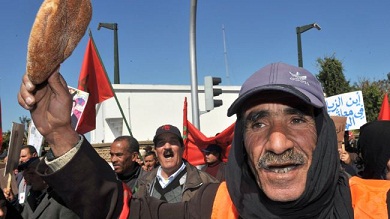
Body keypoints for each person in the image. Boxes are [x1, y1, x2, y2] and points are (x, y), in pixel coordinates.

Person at [18, 63, 390, 218]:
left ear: (323, 135)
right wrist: (61, 133)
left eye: (297, 119)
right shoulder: (217, 205)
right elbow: (124, 212)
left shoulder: (377, 205)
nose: (278, 142)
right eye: (258, 123)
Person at [135, 124, 218, 203]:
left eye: (173, 142)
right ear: (156, 151)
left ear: (182, 148)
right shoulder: (143, 183)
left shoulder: (207, 184)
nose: (167, 147)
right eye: (161, 143)